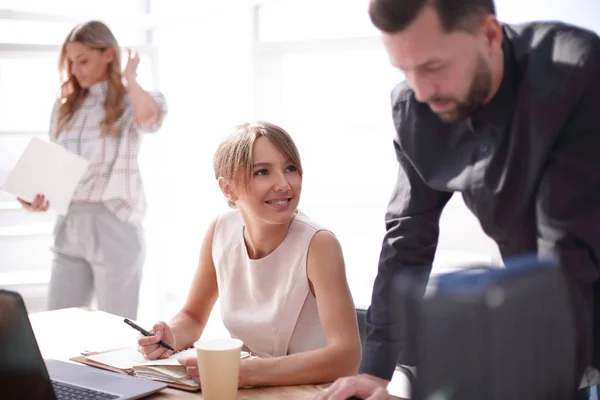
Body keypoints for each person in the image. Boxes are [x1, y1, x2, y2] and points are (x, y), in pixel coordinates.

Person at [317, 0, 600, 399]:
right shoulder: (415, 107)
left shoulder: (576, 74)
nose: (421, 90)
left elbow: (565, 248)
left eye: (433, 67)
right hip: (544, 307)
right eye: (405, 70)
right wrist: (376, 371)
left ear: (489, 35)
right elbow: (407, 238)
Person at [137, 121, 362, 387]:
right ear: (227, 188)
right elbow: (193, 317)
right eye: (263, 172)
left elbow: (346, 357)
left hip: (309, 391)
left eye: (290, 169)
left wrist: (246, 373)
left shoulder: (319, 244)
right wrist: (169, 336)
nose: (284, 185)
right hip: (251, 389)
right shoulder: (221, 230)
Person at [18, 21, 167, 320]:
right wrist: (34, 195)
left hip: (114, 220)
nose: (75, 69)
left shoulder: (133, 100)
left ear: (108, 55)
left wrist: (130, 78)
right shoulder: (65, 107)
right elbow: (54, 163)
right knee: (57, 324)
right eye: (71, 62)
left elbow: (150, 119)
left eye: (83, 60)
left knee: (116, 330)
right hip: (69, 221)